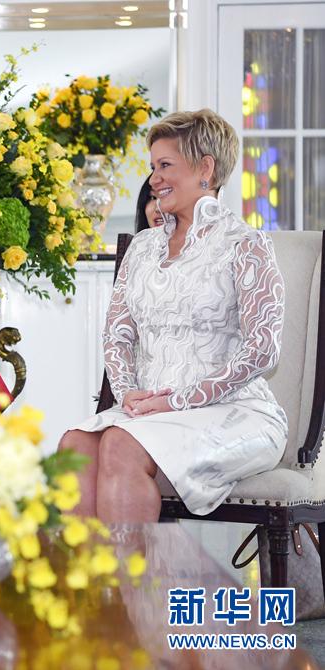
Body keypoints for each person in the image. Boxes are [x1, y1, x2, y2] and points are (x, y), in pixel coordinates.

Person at [59, 109, 288, 523]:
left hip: (236, 412)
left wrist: (178, 400)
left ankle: (134, 570)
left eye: (165, 165)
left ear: (205, 169)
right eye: (153, 167)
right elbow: (117, 336)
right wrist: (127, 391)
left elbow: (262, 350)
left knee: (120, 445)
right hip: (150, 412)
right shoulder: (142, 248)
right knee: (75, 446)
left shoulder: (245, 244)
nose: (154, 179)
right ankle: (96, 569)